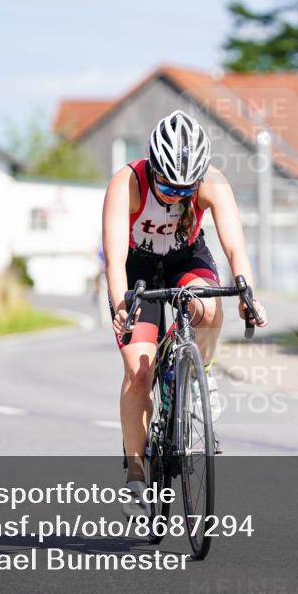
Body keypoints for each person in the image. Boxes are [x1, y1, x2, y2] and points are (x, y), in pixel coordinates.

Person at [101, 110, 267, 516]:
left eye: (184, 187)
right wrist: (121, 304)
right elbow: (114, 258)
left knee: (208, 305)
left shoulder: (213, 183)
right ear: (152, 167)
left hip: (185, 260)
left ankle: (199, 374)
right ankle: (137, 475)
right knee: (139, 370)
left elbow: (234, 248)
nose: (175, 195)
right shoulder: (127, 182)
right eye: (167, 185)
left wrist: (247, 292)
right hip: (137, 269)